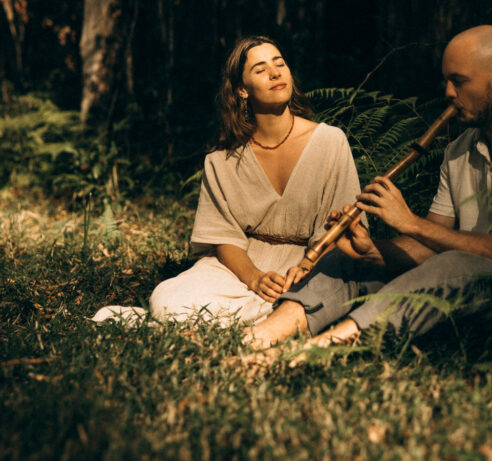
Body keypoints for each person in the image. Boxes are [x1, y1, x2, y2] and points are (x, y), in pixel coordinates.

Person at [243, 25, 492, 352]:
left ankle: (315, 352)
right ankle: (261, 337)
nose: (448, 92)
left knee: (455, 265)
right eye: (447, 80)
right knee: (345, 262)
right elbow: (431, 243)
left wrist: (409, 221)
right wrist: (373, 251)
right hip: (467, 279)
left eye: (459, 81)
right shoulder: (460, 150)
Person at [93, 36, 364, 327]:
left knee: (332, 290)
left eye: (280, 64)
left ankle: (273, 317)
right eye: (260, 69)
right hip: (240, 268)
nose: (275, 73)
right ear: (242, 90)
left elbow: (343, 228)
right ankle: (272, 318)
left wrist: (308, 266)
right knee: (165, 299)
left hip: (316, 264)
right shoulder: (222, 159)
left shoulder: (330, 141)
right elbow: (223, 238)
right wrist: (255, 278)